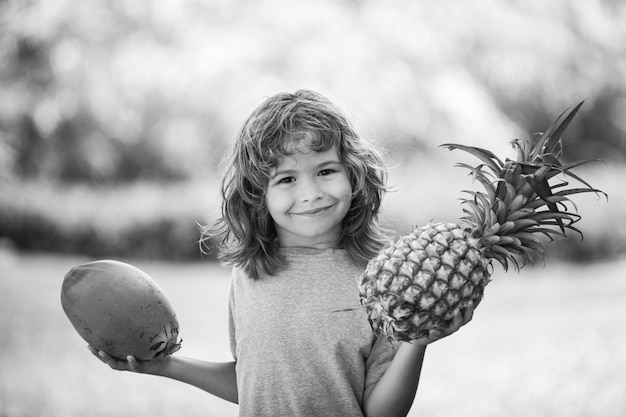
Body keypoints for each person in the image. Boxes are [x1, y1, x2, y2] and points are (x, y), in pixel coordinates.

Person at [89, 89, 474, 417]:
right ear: (258, 195)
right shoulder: (249, 275)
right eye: (287, 179)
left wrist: (416, 341)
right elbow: (255, 380)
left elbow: (380, 410)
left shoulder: (383, 278)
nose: (310, 193)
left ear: (354, 174)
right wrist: (167, 365)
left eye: (326, 171)